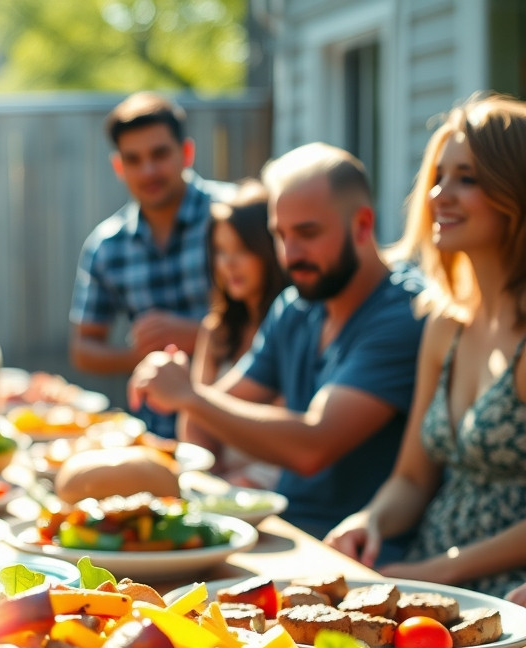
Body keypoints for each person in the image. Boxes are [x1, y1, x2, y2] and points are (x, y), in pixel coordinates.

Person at [129, 143, 425, 545]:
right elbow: (207, 421)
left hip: (361, 552)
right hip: (285, 530)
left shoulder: (404, 312)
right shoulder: (295, 307)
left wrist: (189, 395)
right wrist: (189, 393)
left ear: (362, 225)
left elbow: (313, 446)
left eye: (307, 233)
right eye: (280, 236)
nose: (290, 255)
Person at [325, 95, 526, 596]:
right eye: (439, 175)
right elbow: (413, 479)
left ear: (516, 192)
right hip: (429, 582)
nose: (440, 194)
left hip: (506, 595)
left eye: (468, 178)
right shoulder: (446, 323)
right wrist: (370, 520)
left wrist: (444, 570)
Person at [69, 91, 235, 437]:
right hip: (156, 434)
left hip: (238, 426)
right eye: (133, 159)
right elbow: (84, 350)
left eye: (159, 154)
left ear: (186, 153)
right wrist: (145, 357)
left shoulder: (234, 216)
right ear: (119, 167)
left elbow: (282, 322)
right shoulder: (106, 246)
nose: (148, 170)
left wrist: (199, 335)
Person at [180, 179, 289, 488]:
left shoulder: (294, 326)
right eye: (220, 251)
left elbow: (285, 435)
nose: (228, 264)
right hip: (219, 485)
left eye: (241, 249)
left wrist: (240, 483)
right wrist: (208, 480)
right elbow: (195, 423)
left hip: (276, 484)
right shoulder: (216, 330)